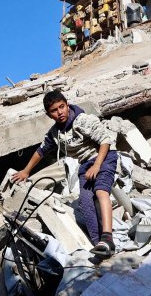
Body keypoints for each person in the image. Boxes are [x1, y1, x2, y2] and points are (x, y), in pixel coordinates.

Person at [12, 90, 119, 256]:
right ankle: (99, 244)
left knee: (100, 190)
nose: (59, 112)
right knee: (84, 201)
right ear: (49, 115)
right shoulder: (55, 134)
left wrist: (97, 165)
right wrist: (26, 171)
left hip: (104, 158)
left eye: (62, 107)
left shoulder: (82, 121)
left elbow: (105, 141)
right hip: (86, 165)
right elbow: (41, 151)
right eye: (54, 110)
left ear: (67, 104)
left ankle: (108, 238)